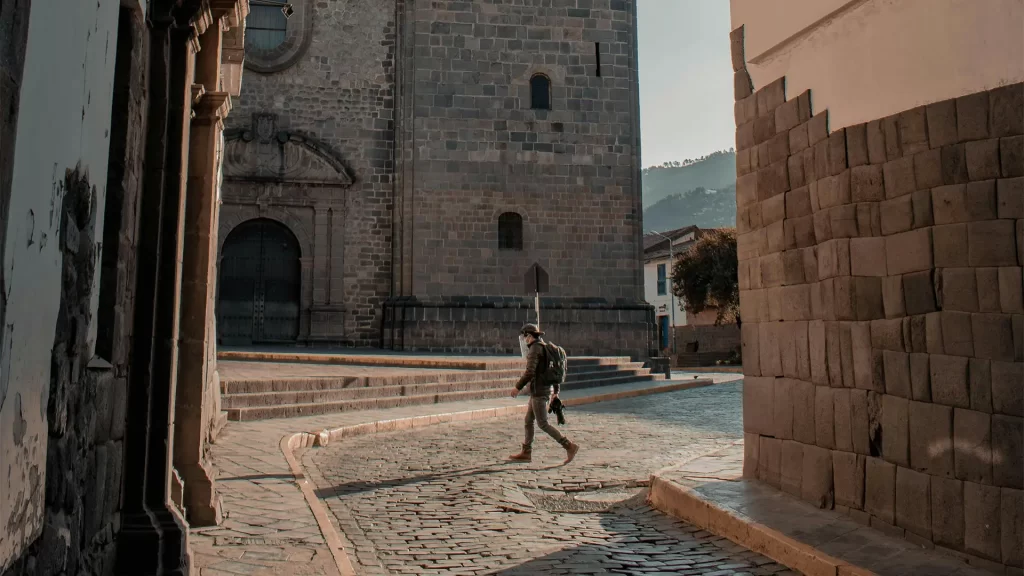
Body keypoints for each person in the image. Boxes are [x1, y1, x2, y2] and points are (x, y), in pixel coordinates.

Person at [508, 324, 579, 464]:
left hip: (539, 392)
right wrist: (555, 392)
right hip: (542, 390)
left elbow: (530, 372)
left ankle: (569, 446)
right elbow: (554, 370)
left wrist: (517, 387)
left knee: (543, 423)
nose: (524, 340)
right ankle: (526, 452)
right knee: (528, 420)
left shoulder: (535, 349)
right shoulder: (545, 347)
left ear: (529, 336)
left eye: (525, 336)